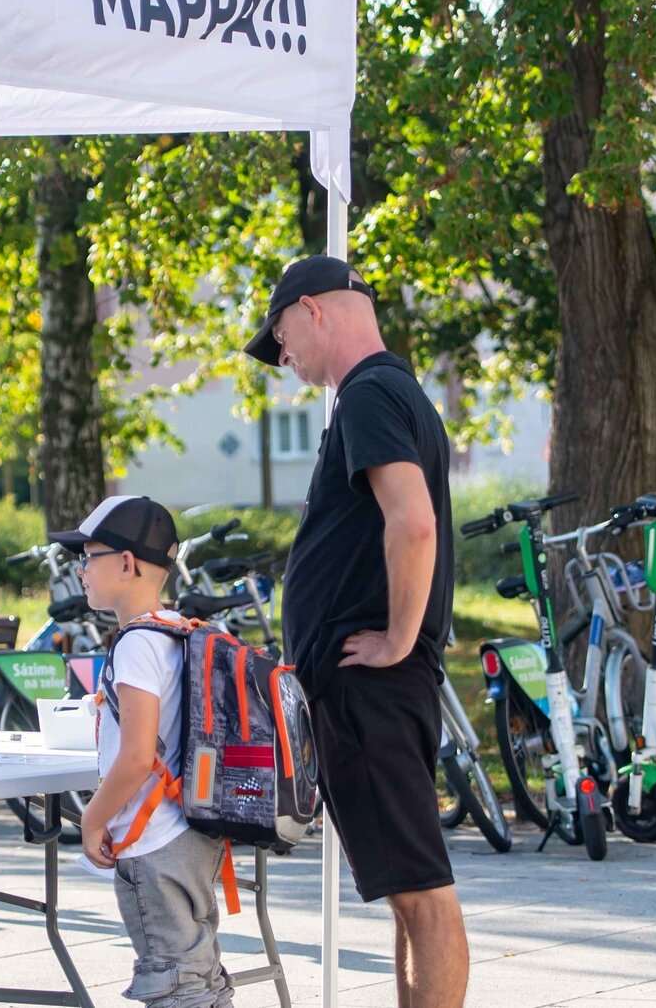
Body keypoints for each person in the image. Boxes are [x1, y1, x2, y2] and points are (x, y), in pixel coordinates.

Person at [244, 256, 468, 1008]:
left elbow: (415, 523)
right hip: (369, 687)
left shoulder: (369, 394)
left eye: (281, 337)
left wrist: (398, 640)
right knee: (408, 890)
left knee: (423, 895)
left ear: (312, 310)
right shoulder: (390, 391)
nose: (284, 358)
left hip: (371, 683)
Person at [67, 496, 235, 1008]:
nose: (80, 571)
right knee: (200, 977)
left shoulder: (137, 644)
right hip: (193, 833)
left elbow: (138, 756)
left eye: (87, 557)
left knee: (174, 986)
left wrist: (93, 820)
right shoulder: (179, 632)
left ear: (125, 562)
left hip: (151, 843)